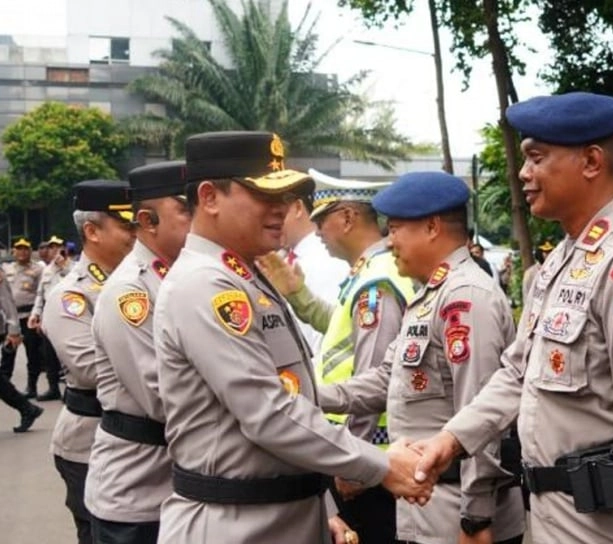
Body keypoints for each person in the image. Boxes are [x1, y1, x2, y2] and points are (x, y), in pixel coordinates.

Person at [412, 92, 613, 543]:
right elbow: (517, 372)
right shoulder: (563, 260)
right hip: (548, 520)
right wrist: (452, 439)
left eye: (537, 158)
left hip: (601, 530)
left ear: (591, 162)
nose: (523, 173)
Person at [152, 131, 428, 544]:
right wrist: (381, 464)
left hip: (278, 513)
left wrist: (322, 505)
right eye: (263, 195)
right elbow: (269, 413)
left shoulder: (245, 274)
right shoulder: (204, 284)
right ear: (209, 197)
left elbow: (294, 395)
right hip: (237, 524)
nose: (281, 208)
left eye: (283, 196)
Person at [313, 171, 526, 544]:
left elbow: (482, 414)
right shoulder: (430, 295)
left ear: (431, 228)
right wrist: (310, 396)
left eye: (396, 229)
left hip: (457, 514)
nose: (389, 241)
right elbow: (386, 380)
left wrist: (475, 518)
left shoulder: (466, 297)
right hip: (429, 511)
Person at [257, 175, 416, 544]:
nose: (317, 232)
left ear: (347, 218)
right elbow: (343, 333)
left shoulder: (377, 282)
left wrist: (356, 463)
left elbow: (374, 377)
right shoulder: (369, 272)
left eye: (321, 220)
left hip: (371, 452)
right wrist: (299, 295)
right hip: (366, 449)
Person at [83, 161, 190, 543]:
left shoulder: (182, 277)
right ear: (147, 221)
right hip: (137, 492)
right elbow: (160, 398)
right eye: (185, 209)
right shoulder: (131, 291)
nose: (200, 218)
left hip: (177, 487)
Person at [45, 180, 136, 544]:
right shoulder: (71, 295)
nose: (135, 233)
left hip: (138, 442)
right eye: (126, 225)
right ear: (92, 231)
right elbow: (90, 370)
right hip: (89, 442)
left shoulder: (139, 283)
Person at [280, 184, 349, 353]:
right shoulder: (285, 258)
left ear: (298, 208)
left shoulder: (325, 260)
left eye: (278, 210)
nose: (270, 219)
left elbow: (325, 337)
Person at [30, 234, 74, 401]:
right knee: (49, 356)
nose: (54, 250)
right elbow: (40, 295)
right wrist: (35, 314)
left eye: (57, 247)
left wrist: (64, 267)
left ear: (63, 249)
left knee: (67, 356)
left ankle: (71, 389)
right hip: (49, 317)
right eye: (51, 247)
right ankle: (53, 388)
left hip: (67, 316)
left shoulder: (74, 267)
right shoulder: (47, 270)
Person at [1, 237, 44, 396]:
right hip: (11, 317)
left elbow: (41, 293)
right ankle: (5, 387)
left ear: (30, 251)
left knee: (32, 353)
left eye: (26, 249)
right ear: (14, 251)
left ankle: (31, 387)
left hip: (29, 315)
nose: (22, 252)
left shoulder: (38, 269)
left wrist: (39, 315)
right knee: (8, 353)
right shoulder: (6, 268)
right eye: (19, 248)